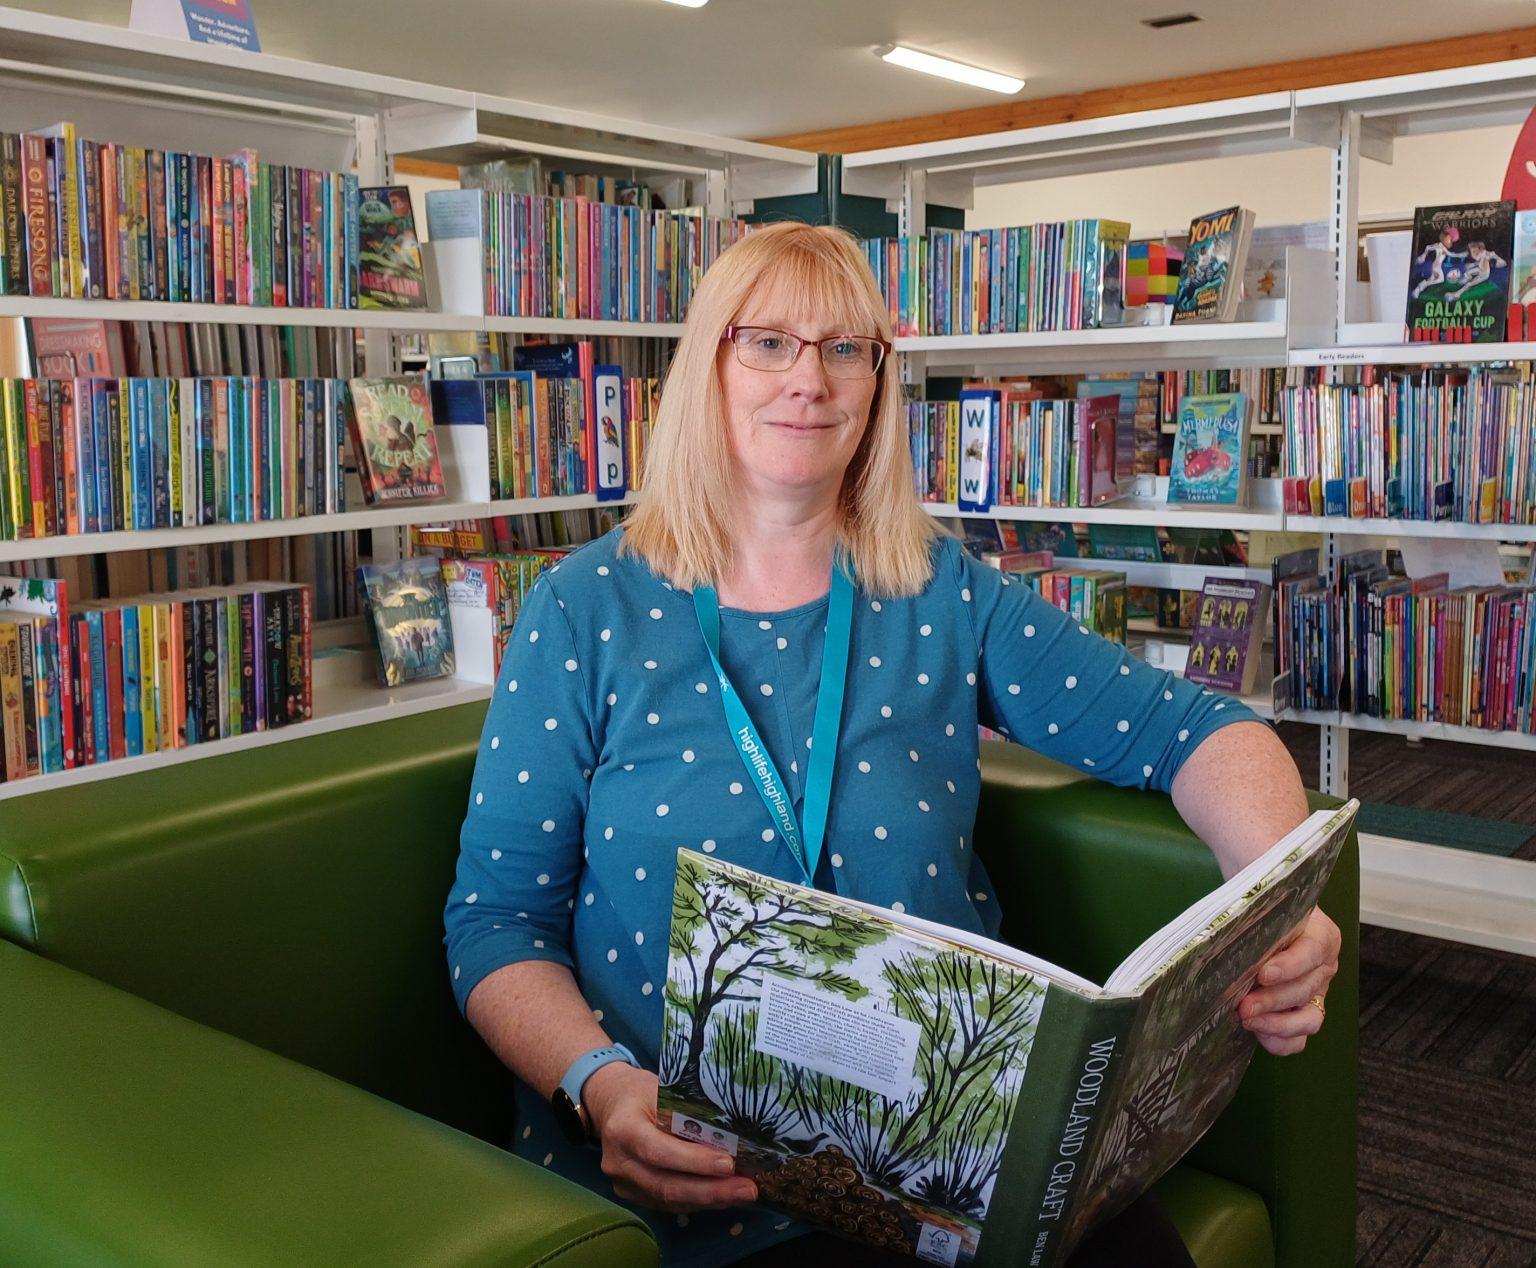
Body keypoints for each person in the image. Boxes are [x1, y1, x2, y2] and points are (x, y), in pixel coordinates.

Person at [444, 222, 1341, 1267]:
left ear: (878, 379)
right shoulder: (584, 606)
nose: (808, 380)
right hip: (696, 1178)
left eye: (845, 348)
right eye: (767, 342)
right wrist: (599, 1084)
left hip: (944, 1163)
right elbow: (494, 923)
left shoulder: (941, 589)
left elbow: (1202, 731)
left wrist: (1277, 900)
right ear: (707, 367)